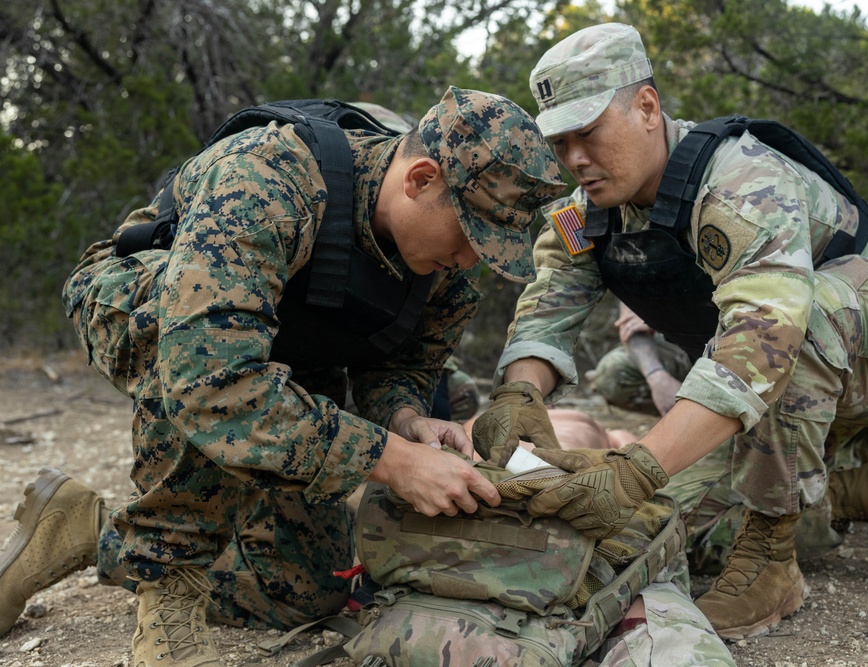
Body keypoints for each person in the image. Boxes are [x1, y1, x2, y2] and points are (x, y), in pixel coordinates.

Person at [0, 87, 567, 666]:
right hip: (151, 310)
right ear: (419, 179)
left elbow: (401, 363)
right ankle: (169, 584)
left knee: (301, 592)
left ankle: (85, 528)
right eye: (472, 233)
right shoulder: (267, 178)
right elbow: (211, 380)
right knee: (214, 372)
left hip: (282, 354)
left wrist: (407, 420)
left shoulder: (446, 270)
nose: (473, 258)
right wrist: (395, 461)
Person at [473, 23, 868, 641]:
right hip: (777, 370)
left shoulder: (740, 181)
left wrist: (636, 467)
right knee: (650, 527)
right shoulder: (585, 212)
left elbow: (765, 336)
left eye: (590, 133)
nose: (576, 158)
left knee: (789, 328)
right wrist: (521, 391)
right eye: (562, 141)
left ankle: (772, 557)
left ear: (647, 107)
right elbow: (550, 301)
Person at [588, 299, 691, 415]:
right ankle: (685, 417)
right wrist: (656, 376)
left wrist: (664, 320)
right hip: (686, 351)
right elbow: (632, 328)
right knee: (611, 374)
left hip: (712, 353)